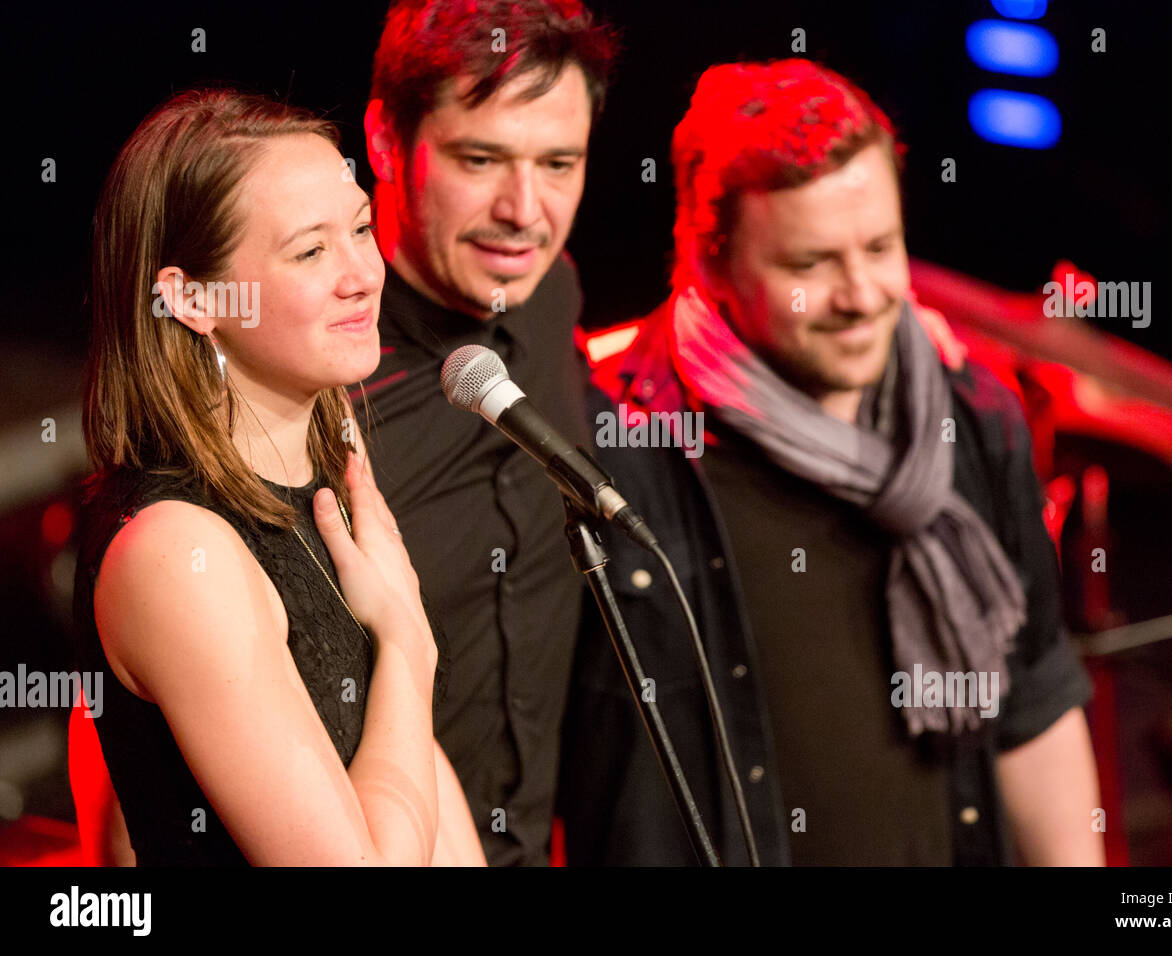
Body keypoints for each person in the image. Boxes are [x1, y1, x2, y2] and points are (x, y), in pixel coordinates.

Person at [558, 59, 1105, 866]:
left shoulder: (969, 414)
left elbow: (1033, 704)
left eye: (881, 246)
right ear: (707, 261)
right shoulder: (613, 451)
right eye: (811, 266)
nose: (862, 294)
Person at [70, 89, 480, 865]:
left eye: (360, 227)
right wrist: (407, 646)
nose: (363, 273)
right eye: (309, 251)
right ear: (192, 298)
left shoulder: (329, 479)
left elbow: (412, 760)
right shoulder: (175, 550)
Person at [357, 0, 617, 865]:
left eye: (560, 163)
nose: (525, 210)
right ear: (388, 143)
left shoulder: (552, 295)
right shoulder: (315, 383)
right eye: (481, 159)